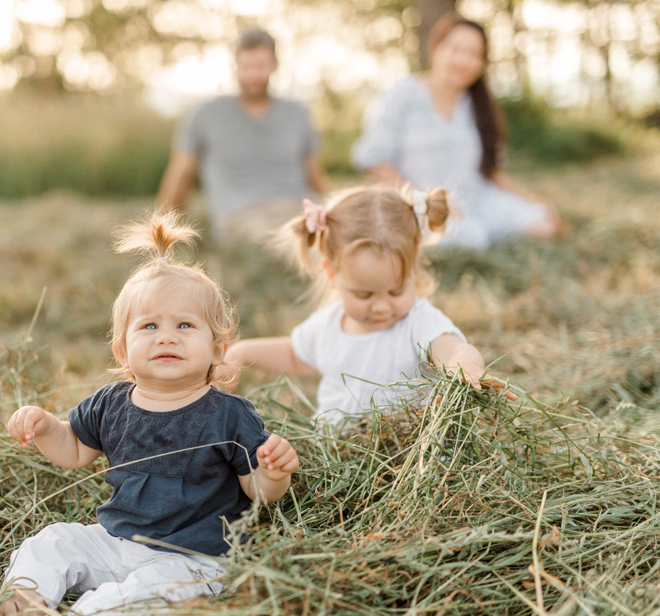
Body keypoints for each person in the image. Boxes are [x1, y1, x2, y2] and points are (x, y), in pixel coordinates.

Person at [0, 211, 298, 616]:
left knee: (146, 593)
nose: (166, 336)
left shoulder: (228, 414)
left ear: (218, 349)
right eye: (149, 326)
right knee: (52, 541)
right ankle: (25, 600)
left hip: (191, 559)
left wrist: (273, 473)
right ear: (122, 350)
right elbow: (75, 450)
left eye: (185, 325)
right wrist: (46, 427)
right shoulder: (111, 403)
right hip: (116, 542)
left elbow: (257, 489)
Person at [218, 186, 515, 424]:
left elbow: (453, 349)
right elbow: (294, 355)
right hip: (335, 457)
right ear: (332, 275)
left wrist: (463, 368)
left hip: (407, 457)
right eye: (364, 295)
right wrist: (241, 354)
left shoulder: (419, 321)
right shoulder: (328, 324)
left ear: (413, 273)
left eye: (396, 291)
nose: (382, 307)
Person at [351, 13, 563, 252]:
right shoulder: (401, 96)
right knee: (470, 238)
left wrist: (533, 201)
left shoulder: (477, 106)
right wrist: (426, 203)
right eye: (455, 49)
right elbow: (375, 162)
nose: (463, 60)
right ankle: (480, 235)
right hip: (419, 205)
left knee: (544, 223)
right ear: (435, 48)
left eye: (474, 54)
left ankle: (487, 231)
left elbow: (491, 172)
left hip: (478, 199)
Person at [157, 27, 329, 243]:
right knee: (289, 241)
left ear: (274, 65)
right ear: (235, 67)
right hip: (242, 216)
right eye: (246, 66)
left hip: (299, 208)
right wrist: (164, 237)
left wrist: (331, 210)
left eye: (261, 66)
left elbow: (315, 176)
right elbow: (180, 178)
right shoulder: (206, 114)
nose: (253, 75)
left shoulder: (298, 113)